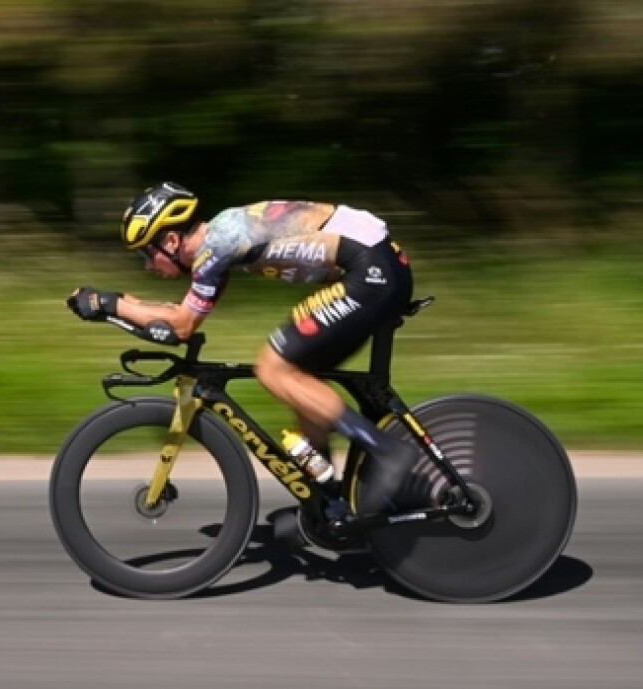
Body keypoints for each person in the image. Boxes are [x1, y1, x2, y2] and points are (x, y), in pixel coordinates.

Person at [66, 181, 419, 514]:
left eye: (146, 252)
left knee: (273, 369)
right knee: (297, 378)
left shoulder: (217, 246)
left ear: (171, 240)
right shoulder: (219, 243)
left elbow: (181, 326)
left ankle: (387, 452)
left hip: (370, 272)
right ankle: (327, 503)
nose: (146, 264)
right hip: (375, 266)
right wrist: (120, 303)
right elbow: (179, 317)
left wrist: (109, 304)